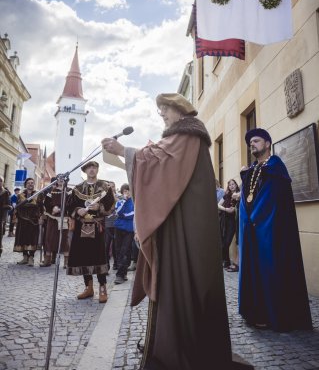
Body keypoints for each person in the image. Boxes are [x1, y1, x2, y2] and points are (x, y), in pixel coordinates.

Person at [102, 93, 234, 370]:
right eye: (159, 109)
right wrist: (124, 153)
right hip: (178, 221)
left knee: (180, 279)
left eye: (164, 109)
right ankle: (167, 342)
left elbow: (156, 163)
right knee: (174, 280)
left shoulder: (187, 136)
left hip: (185, 227)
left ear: (180, 110)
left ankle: (179, 345)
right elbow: (158, 160)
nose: (161, 114)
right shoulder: (182, 138)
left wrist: (122, 150)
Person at [239, 127, 312, 332]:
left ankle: (273, 315)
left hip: (272, 231)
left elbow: (271, 200)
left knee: (271, 270)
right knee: (254, 271)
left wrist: (258, 219)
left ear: (267, 143)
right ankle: (255, 312)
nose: (252, 144)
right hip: (253, 230)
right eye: (250, 143)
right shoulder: (253, 169)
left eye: (255, 141)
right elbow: (248, 200)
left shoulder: (276, 167)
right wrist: (244, 177)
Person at [66, 161, 115, 303]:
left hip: (97, 227)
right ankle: (89, 287)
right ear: (85, 171)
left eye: (94, 167)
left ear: (97, 170)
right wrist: (77, 211)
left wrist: (99, 208)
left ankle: (102, 288)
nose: (92, 170)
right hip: (81, 227)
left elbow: (111, 206)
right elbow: (69, 207)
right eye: (89, 168)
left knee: (99, 256)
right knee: (84, 256)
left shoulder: (105, 187)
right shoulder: (77, 188)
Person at [40, 177, 71, 268]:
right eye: (59, 178)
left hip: (63, 218)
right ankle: (47, 260)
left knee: (65, 239)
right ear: (56, 180)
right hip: (52, 217)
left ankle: (66, 262)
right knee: (49, 238)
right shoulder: (51, 191)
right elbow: (46, 203)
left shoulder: (69, 191)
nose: (61, 179)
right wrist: (52, 208)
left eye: (63, 178)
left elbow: (71, 203)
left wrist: (61, 209)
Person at [13, 178, 43, 266]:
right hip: (22, 220)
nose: (30, 184)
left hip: (33, 221)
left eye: (32, 183)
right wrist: (16, 218)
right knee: (23, 238)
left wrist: (41, 217)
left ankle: (31, 258)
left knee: (32, 239)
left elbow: (41, 207)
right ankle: (25, 257)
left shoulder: (38, 194)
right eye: (29, 183)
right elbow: (18, 208)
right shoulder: (20, 195)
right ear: (25, 184)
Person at [114, 183, 134, 284]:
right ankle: (123, 272)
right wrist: (123, 202)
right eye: (125, 191)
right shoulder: (120, 202)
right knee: (118, 251)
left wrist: (123, 215)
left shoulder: (134, 202)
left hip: (129, 230)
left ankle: (120, 275)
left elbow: (131, 215)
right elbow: (118, 211)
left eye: (128, 191)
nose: (127, 193)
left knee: (125, 250)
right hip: (118, 228)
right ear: (122, 192)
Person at [218, 179, 240, 271]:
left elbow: (240, 205)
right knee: (223, 242)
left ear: (236, 185)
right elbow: (218, 205)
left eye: (233, 184)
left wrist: (234, 209)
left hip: (233, 221)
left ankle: (230, 262)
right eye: (230, 184)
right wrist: (226, 209)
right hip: (224, 221)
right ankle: (226, 261)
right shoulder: (226, 195)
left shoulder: (239, 194)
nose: (231, 186)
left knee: (227, 242)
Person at [104, 180, 118, 273]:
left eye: (112, 186)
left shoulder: (119, 197)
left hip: (117, 224)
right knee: (106, 246)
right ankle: (106, 266)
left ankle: (116, 263)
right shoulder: (104, 198)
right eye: (109, 186)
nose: (111, 188)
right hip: (107, 224)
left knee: (116, 246)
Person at [0, 176, 12, 257]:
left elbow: (9, 205)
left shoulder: (5, 192)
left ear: (2, 182)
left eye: (0, 181)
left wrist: (5, 206)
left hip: (1, 216)